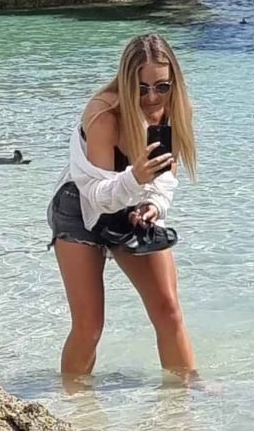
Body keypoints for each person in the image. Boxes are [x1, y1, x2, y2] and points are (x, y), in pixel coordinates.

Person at [47, 33, 199, 383]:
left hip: (129, 204)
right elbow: (98, 194)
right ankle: (75, 406)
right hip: (79, 208)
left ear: (173, 81)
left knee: (169, 310)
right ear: (125, 82)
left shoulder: (173, 109)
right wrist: (135, 179)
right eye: (141, 88)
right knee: (89, 326)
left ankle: (186, 399)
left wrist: (154, 205)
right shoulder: (103, 113)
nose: (151, 98)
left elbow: (164, 178)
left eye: (161, 87)